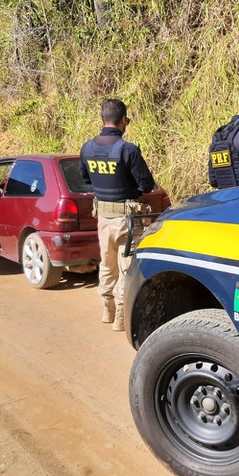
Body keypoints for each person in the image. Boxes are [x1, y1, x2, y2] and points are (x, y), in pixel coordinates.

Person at [80, 99, 156, 332]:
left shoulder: (87, 148)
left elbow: (85, 179)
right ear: (123, 120)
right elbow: (146, 184)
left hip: (103, 217)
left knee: (107, 264)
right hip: (127, 220)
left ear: (103, 119)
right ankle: (120, 317)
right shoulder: (128, 149)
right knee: (126, 267)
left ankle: (107, 308)